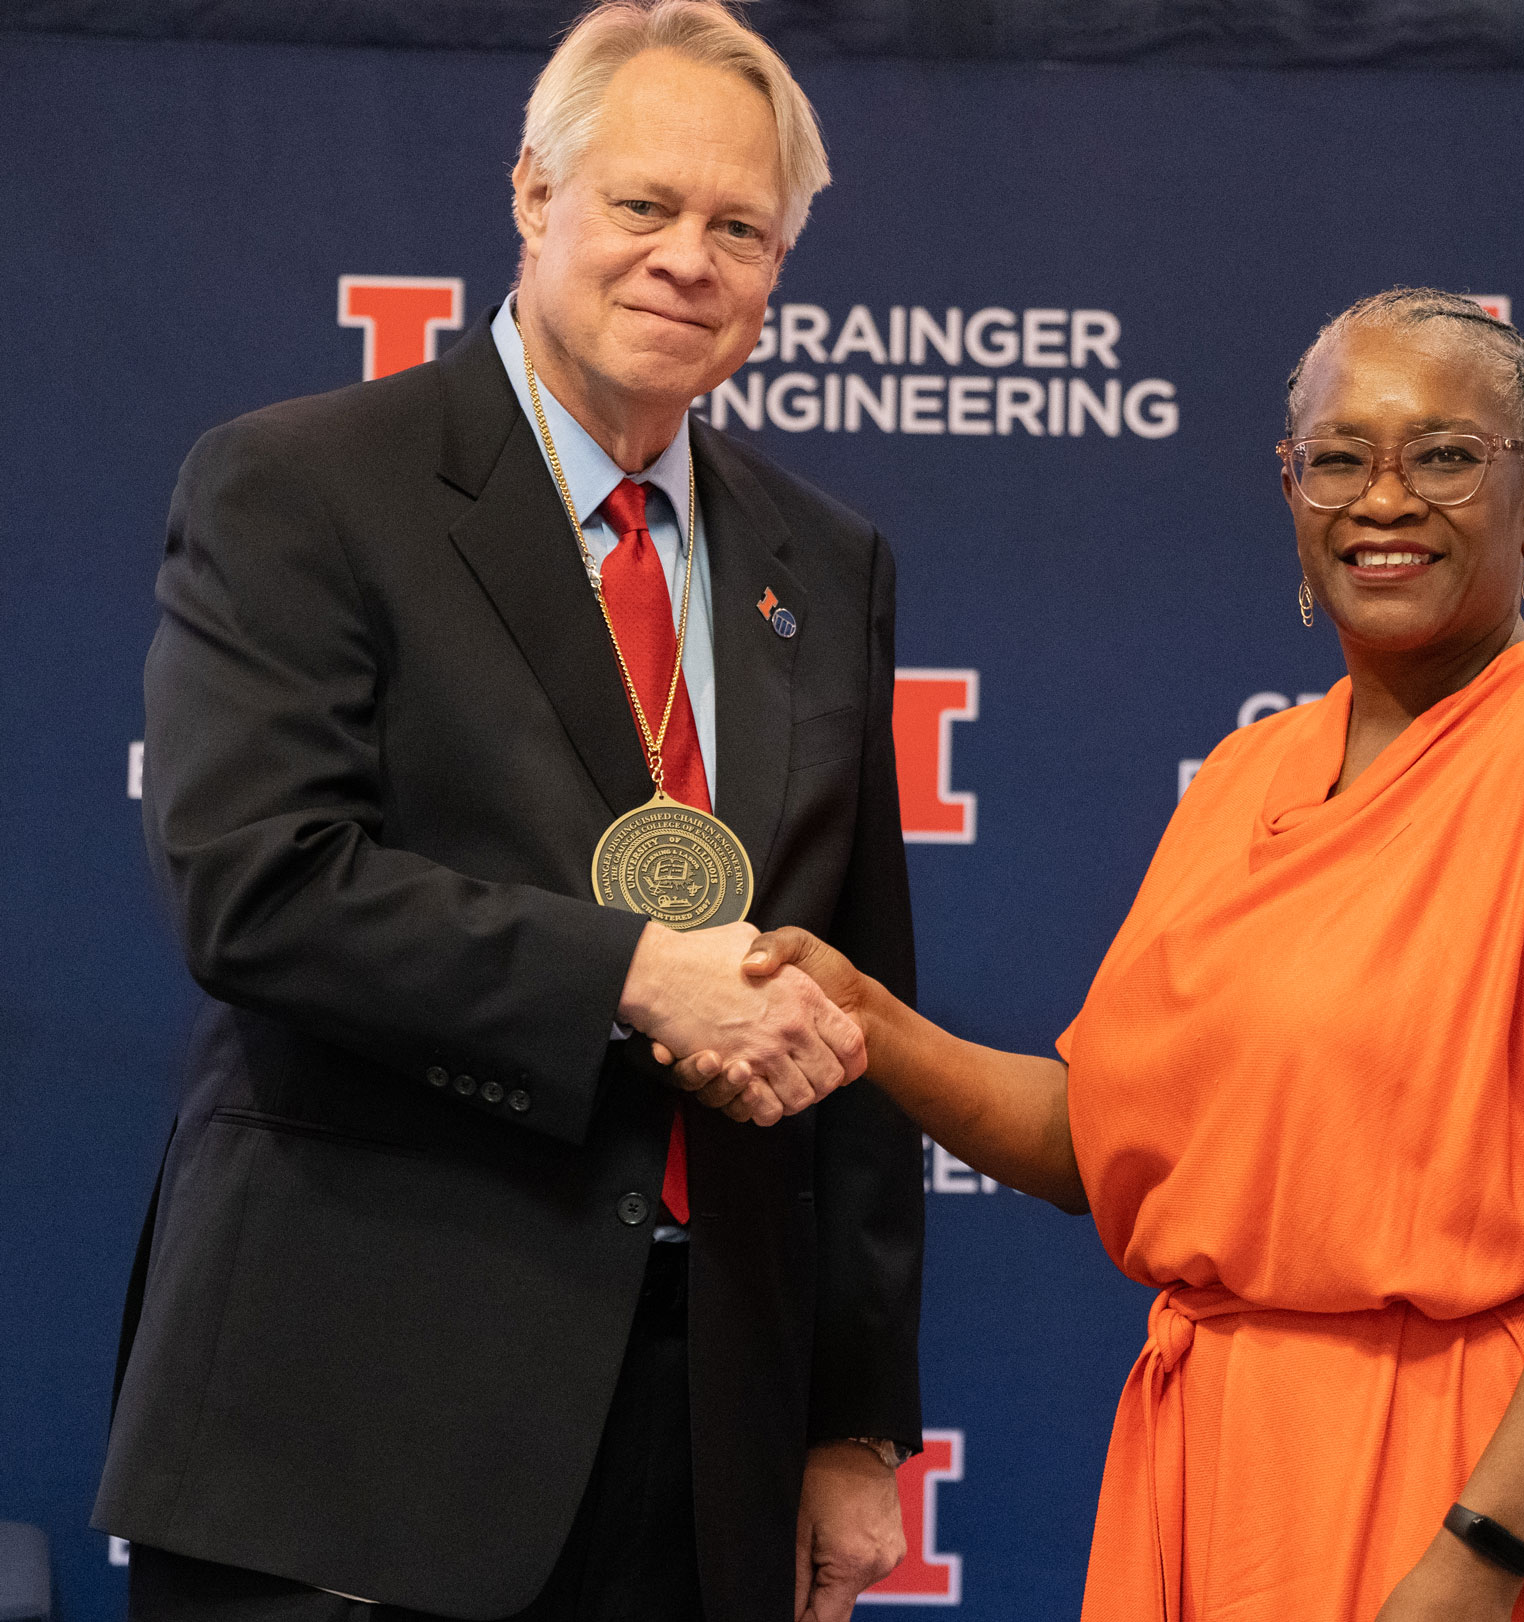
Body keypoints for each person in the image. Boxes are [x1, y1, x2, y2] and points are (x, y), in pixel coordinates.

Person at [670, 289, 1524, 1621]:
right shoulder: (1246, 771)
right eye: (1340, 457)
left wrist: (1485, 1544)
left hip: (1464, 1466)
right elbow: (1100, 1139)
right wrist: (869, 1020)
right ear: (1289, 485)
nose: (1385, 498)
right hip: (1219, 1457)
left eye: (1442, 455)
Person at [95, 6, 924, 1622]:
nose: (689, 258)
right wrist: (628, 972)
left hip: (705, 1437)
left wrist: (851, 1418)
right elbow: (255, 882)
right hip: (356, 1417)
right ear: (535, 194)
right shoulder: (306, 485)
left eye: (739, 227)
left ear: (778, 270)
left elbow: (856, 992)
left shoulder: (823, 564)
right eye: (644, 204)